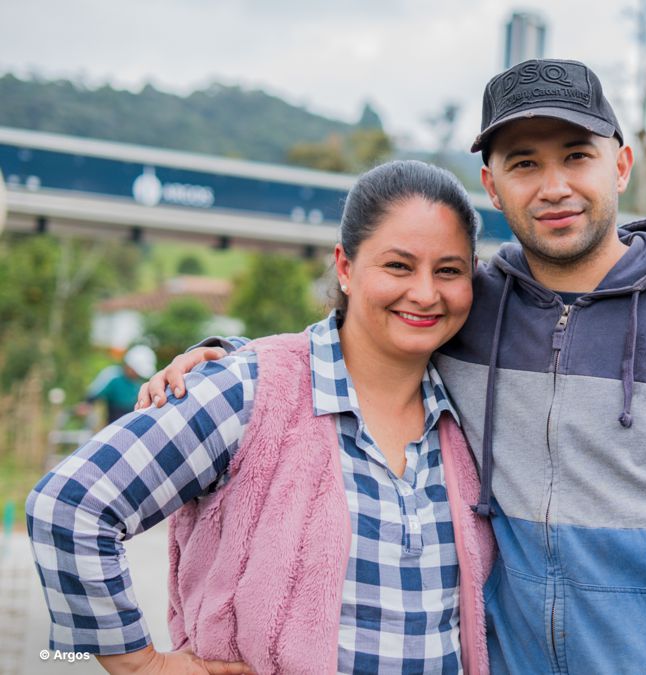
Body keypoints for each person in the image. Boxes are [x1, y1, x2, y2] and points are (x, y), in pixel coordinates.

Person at [145, 58, 646, 673]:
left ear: (620, 166)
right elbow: (362, 337)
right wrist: (235, 361)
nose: (554, 185)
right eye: (525, 163)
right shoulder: (467, 306)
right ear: (493, 184)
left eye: (576, 156)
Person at [28, 161, 498, 674]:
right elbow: (69, 507)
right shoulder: (251, 390)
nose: (426, 293)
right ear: (345, 266)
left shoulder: (469, 412)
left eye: (448, 270)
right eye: (398, 266)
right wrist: (142, 665)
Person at [76, 344, 157, 424]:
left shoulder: (139, 383)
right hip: (113, 422)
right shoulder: (113, 376)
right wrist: (87, 404)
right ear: (129, 365)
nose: (137, 375)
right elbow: (94, 394)